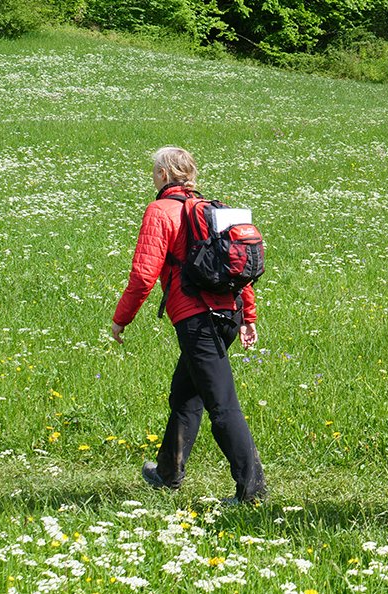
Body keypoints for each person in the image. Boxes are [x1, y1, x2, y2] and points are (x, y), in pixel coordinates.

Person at [111, 146, 267, 504]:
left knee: (222, 405)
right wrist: (247, 316)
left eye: (154, 171)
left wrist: (122, 319)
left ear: (165, 175)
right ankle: (168, 471)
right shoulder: (218, 210)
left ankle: (252, 491)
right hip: (227, 316)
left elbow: (142, 275)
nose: (153, 177)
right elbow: (239, 272)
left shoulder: (159, 210)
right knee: (185, 392)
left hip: (197, 320)